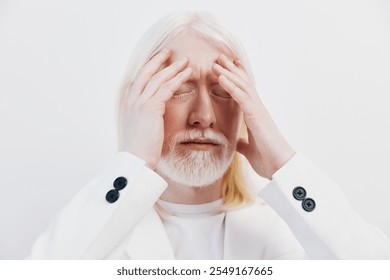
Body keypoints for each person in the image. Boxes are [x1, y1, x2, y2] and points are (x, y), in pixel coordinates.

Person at [29, 11, 390, 260]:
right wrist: (134, 160)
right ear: (139, 103)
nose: (203, 116)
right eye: (179, 88)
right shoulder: (97, 226)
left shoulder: (293, 228)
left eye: (222, 90)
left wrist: (283, 163)